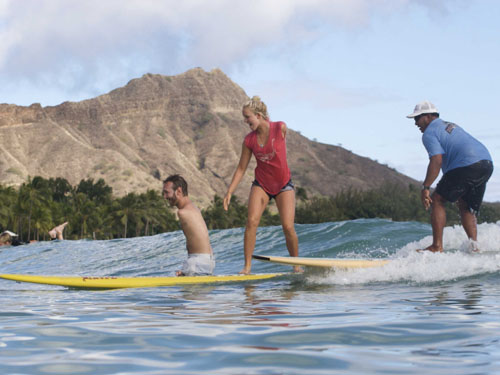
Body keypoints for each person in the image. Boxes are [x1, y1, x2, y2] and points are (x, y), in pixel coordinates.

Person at [223, 96, 301, 274]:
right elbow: (241, 168)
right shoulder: (249, 141)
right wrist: (229, 192)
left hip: (283, 184)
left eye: (247, 117)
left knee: (288, 226)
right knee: (251, 222)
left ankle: (296, 265)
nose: (245, 121)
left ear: (258, 115)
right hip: (262, 184)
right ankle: (247, 267)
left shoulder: (279, 127)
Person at [407, 100, 493, 252]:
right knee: (466, 207)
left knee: (437, 200)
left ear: (427, 116)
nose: (415, 123)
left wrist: (425, 187)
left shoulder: (429, 133)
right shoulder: (449, 125)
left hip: (467, 165)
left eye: (417, 118)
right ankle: (474, 247)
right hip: (486, 164)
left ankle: (437, 246)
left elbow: (436, 160)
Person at [162, 174, 215, 276]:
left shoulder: (183, 213)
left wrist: (191, 268)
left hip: (197, 262)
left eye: (166, 193)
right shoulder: (193, 208)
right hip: (207, 260)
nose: (164, 197)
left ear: (179, 191)